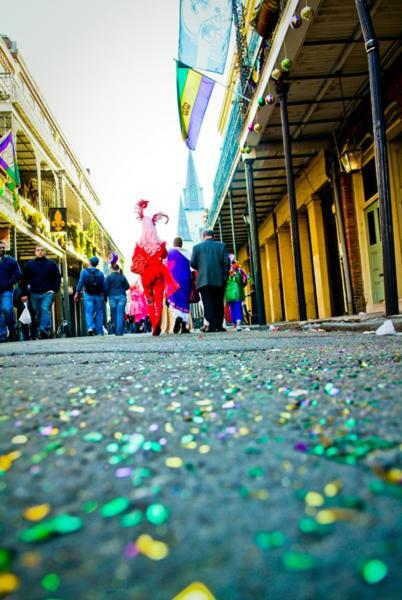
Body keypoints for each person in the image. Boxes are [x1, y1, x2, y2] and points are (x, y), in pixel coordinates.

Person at [130, 199, 178, 336]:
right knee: (159, 300)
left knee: (149, 301)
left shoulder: (139, 245)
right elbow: (165, 255)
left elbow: (135, 259)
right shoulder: (160, 244)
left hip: (146, 276)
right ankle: (157, 322)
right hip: (159, 273)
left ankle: (153, 326)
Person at [191, 229, 230, 333]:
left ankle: (212, 326)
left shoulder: (196, 248)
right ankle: (219, 325)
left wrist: (202, 267)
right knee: (218, 302)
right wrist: (224, 277)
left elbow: (192, 264)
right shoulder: (222, 246)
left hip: (203, 280)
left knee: (207, 303)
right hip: (219, 280)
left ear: (204, 236)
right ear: (214, 236)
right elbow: (227, 263)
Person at [20, 245, 61, 339]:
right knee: (38, 314)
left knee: (45, 309)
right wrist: (24, 293)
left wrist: (53, 290)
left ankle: (44, 330)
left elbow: (57, 278)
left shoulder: (51, 264)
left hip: (47, 293)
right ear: (35, 252)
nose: (40, 252)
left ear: (45, 252)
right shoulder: (29, 264)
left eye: (42, 250)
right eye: (38, 250)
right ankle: (42, 330)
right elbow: (23, 280)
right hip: (34, 294)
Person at [74, 256, 105, 336]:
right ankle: (100, 331)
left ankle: (90, 327)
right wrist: (105, 296)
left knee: (88, 312)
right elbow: (104, 286)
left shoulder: (84, 272)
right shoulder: (101, 273)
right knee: (99, 313)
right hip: (98, 295)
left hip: (88, 294)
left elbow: (80, 282)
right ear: (97, 264)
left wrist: (77, 292)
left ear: (90, 263)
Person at [167, 236, 192, 334]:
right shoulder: (188, 253)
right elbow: (193, 265)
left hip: (173, 280)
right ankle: (184, 326)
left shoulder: (169, 253)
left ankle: (178, 317)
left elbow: (166, 266)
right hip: (185, 280)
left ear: (173, 244)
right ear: (181, 244)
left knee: (174, 300)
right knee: (184, 301)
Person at [0, 241, 21, 342]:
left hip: (6, 291)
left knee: (7, 310)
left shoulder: (10, 260)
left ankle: (12, 330)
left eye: (3, 248)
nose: (2, 249)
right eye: (0, 248)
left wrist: (9, 283)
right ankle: (2, 336)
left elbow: (18, 274)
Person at [225, 254, 249, 331]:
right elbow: (244, 281)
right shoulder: (239, 270)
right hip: (238, 292)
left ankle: (235, 324)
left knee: (231, 308)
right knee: (237, 307)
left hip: (229, 293)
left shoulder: (226, 271)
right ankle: (238, 323)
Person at [105, 261, 130, 336]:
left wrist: (105, 298)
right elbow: (127, 286)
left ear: (112, 268)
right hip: (122, 296)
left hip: (112, 297)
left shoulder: (108, 277)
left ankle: (116, 330)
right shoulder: (122, 276)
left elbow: (106, 288)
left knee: (114, 314)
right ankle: (119, 331)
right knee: (120, 313)